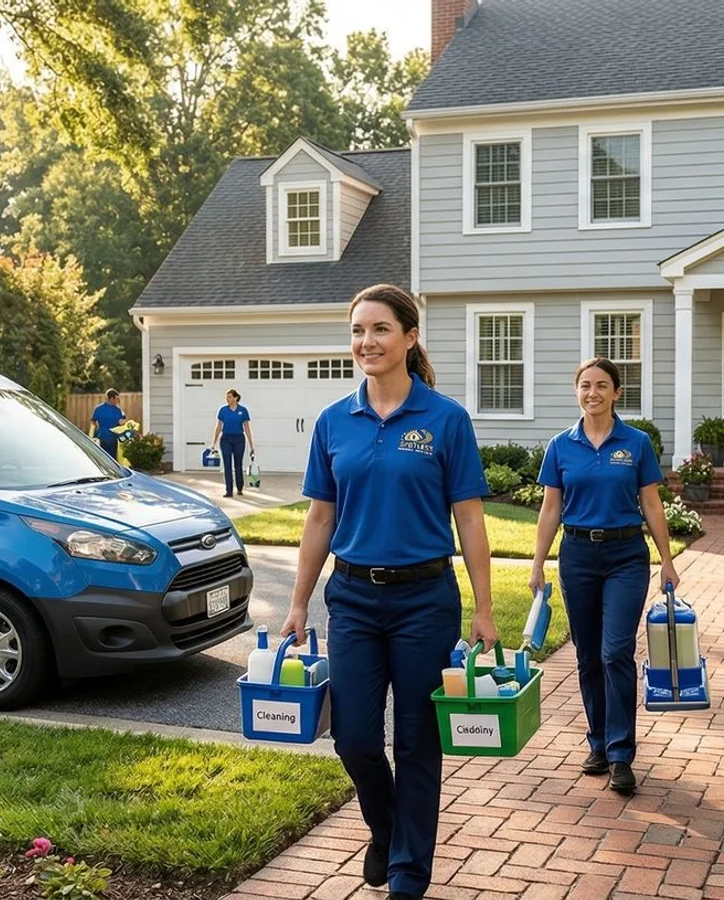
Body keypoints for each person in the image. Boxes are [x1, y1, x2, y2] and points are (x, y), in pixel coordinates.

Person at [281, 284, 496, 900]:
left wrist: (483, 609)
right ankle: (386, 825)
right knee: (352, 736)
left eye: (379, 329)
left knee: (417, 740)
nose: (366, 342)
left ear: (409, 336)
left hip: (424, 599)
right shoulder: (333, 421)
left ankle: (408, 873)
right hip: (351, 597)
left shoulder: (445, 419)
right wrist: (298, 603)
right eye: (357, 330)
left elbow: (471, 519)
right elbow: (320, 518)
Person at [529, 357, 680, 796]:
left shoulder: (636, 443)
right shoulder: (561, 445)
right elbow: (550, 508)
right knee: (588, 655)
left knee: (616, 651)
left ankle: (620, 754)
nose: (592, 392)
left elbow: (651, 503)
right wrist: (538, 563)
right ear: (577, 391)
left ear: (617, 393)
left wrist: (666, 558)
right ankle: (596, 742)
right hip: (576, 555)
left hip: (625, 556)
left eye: (601, 385)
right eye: (585, 385)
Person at [211, 389, 254, 497]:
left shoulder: (243, 410)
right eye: (226, 397)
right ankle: (229, 490)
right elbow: (218, 427)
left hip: (239, 439)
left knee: (238, 464)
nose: (227, 399)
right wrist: (214, 442)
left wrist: (251, 445)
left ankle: (239, 488)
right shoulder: (223, 410)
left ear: (235, 398)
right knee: (227, 465)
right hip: (226, 439)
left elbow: (247, 428)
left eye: (229, 397)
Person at [90, 389, 125, 458]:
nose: (118, 401)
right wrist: (91, 436)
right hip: (102, 439)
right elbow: (93, 423)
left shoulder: (118, 410)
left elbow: (122, 423)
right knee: (103, 459)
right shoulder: (99, 409)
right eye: (117, 399)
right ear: (111, 398)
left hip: (114, 440)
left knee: (112, 460)